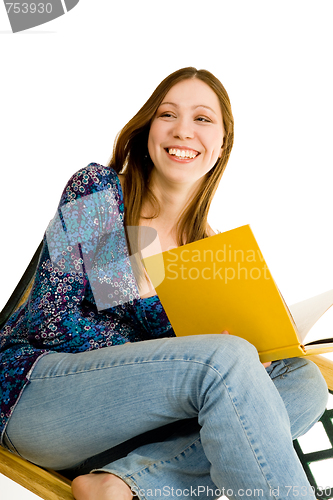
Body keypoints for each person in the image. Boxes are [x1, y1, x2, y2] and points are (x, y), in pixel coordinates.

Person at [0, 67, 329, 500]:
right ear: (148, 129)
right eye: (167, 114)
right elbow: (52, 321)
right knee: (223, 359)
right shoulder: (102, 194)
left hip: (130, 436)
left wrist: (253, 357)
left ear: (222, 144)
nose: (183, 130)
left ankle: (123, 483)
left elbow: (202, 365)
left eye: (203, 119)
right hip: (36, 397)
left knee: (302, 382)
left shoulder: (208, 251)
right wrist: (188, 352)